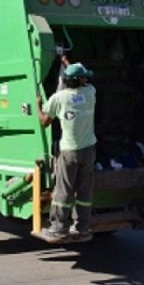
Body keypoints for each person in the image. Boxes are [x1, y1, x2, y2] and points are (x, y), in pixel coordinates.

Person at [37, 60, 97, 243]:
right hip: (89, 149)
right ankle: (82, 228)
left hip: (70, 151)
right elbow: (82, 79)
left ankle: (58, 228)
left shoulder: (59, 97)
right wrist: (66, 60)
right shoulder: (90, 92)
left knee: (64, 190)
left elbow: (45, 121)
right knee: (84, 191)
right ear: (81, 80)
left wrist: (38, 105)